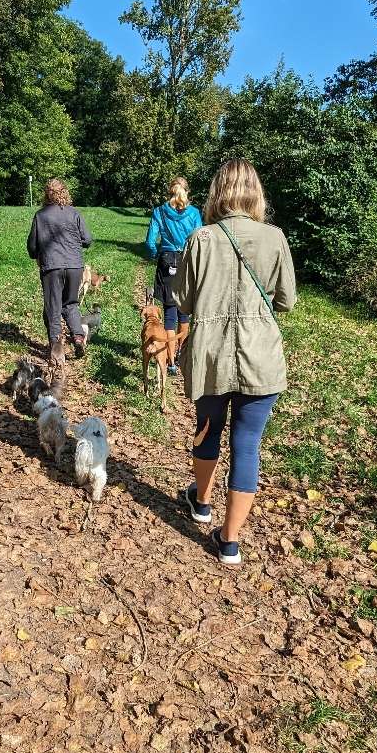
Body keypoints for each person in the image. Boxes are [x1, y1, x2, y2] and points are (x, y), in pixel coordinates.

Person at [173, 158, 297, 565]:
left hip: (209, 355)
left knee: (206, 428)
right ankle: (228, 541)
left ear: (217, 192)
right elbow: (286, 302)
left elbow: (183, 301)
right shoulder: (275, 238)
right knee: (247, 445)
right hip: (260, 356)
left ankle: (202, 502)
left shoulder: (201, 238)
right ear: (256, 193)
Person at [145, 176, 203, 375]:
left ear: (170, 191)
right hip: (187, 260)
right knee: (184, 312)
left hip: (167, 260)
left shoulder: (159, 212)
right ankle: (182, 355)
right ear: (187, 191)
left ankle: (170, 362)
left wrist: (155, 255)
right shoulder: (194, 213)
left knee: (169, 312)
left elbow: (150, 242)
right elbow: (200, 240)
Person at [27, 179, 92, 357]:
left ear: (46, 194)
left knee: (53, 307)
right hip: (74, 266)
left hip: (51, 266)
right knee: (70, 304)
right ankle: (78, 337)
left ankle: (56, 347)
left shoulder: (41, 216)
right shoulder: (74, 214)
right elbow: (87, 239)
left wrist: (37, 255)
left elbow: (32, 247)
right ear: (65, 193)